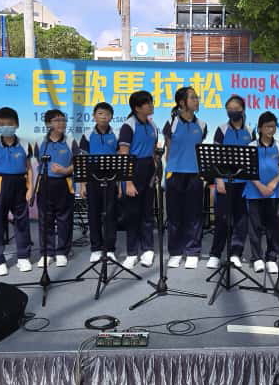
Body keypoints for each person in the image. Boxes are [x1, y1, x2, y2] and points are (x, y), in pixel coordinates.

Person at [0, 107, 35, 276]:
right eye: (2, 124)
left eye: (10, 123)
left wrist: (31, 188)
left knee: (22, 222)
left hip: (20, 184)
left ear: (17, 124)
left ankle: (23, 257)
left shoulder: (25, 145)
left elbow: (29, 168)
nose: (6, 126)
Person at [208, 95, 255, 270]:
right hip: (224, 182)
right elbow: (215, 157)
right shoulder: (221, 129)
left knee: (241, 220)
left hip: (244, 183)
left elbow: (252, 158)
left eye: (235, 109)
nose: (232, 112)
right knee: (222, 219)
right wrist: (218, 180)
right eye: (229, 109)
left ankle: (236, 253)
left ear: (242, 110)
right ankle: (215, 254)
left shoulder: (250, 131)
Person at [163, 86, 208, 270]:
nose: (197, 101)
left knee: (194, 215)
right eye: (193, 98)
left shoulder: (202, 125)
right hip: (174, 174)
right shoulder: (171, 122)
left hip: (195, 174)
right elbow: (168, 150)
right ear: (182, 103)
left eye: (197, 97)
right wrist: (171, 169)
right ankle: (175, 251)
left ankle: (192, 251)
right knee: (174, 215)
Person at [118, 91, 158, 268]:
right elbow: (124, 155)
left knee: (147, 213)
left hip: (148, 170)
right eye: (148, 103)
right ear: (137, 108)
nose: (151, 105)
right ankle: (132, 253)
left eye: (151, 102)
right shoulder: (128, 126)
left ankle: (148, 250)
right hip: (133, 170)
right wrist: (128, 181)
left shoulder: (152, 125)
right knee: (133, 214)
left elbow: (154, 151)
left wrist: (156, 172)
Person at [244, 111, 279, 274]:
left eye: (273, 127)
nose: (271, 130)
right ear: (260, 128)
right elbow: (248, 170)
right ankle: (257, 258)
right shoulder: (251, 146)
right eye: (267, 126)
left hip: (274, 193)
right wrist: (260, 186)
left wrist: (272, 185)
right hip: (254, 192)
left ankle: (271, 258)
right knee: (255, 227)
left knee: (273, 226)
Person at [35, 109, 78, 268]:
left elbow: (78, 162)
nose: (61, 123)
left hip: (64, 183)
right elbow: (37, 162)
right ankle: (47, 253)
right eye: (57, 120)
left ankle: (62, 252)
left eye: (63, 120)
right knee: (45, 219)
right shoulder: (40, 142)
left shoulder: (70, 141)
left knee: (64, 219)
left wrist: (66, 170)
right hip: (45, 183)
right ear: (48, 124)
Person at [79, 102, 120, 263]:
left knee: (111, 214)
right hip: (92, 179)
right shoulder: (87, 135)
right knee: (93, 213)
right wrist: (82, 184)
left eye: (107, 114)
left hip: (111, 179)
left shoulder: (116, 134)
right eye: (100, 113)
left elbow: (120, 159)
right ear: (94, 116)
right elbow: (82, 160)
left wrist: (119, 183)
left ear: (111, 117)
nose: (103, 117)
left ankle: (110, 249)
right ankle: (96, 248)